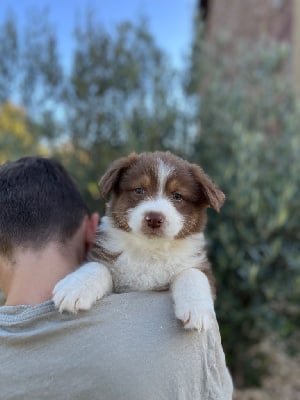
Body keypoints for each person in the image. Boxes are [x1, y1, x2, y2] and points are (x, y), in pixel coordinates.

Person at [0, 156, 233, 400]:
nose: (155, 211)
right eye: (139, 191)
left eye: (177, 197)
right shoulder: (106, 256)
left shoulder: (189, 265)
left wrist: (193, 285)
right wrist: (94, 275)